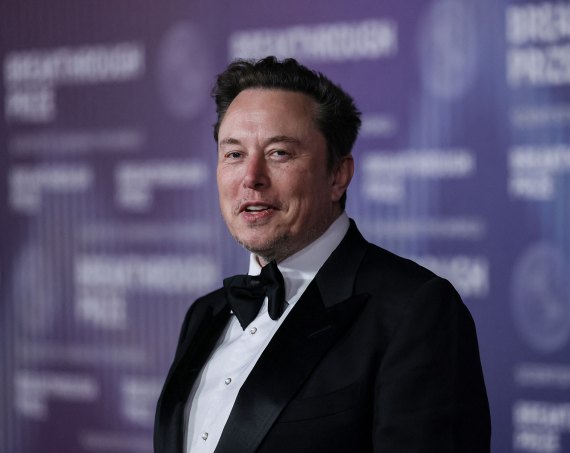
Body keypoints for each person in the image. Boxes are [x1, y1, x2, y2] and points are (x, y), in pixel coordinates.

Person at [154, 56, 491, 453]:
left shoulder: (414, 312)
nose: (251, 177)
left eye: (279, 152)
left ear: (337, 175)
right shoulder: (204, 315)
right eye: (233, 154)